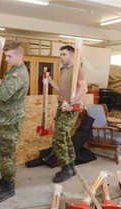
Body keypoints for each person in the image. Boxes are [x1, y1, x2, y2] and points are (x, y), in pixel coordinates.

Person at [0, 41, 29, 203]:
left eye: (9, 56)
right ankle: (5, 179)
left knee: (6, 155)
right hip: (2, 119)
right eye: (5, 56)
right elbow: (5, 88)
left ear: (19, 56)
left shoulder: (18, 75)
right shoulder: (13, 71)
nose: (6, 59)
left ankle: (9, 186)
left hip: (10, 122)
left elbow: (3, 94)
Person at [48, 45, 88, 183]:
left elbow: (84, 89)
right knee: (64, 137)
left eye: (64, 54)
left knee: (59, 137)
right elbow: (61, 91)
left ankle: (66, 168)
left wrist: (71, 103)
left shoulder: (77, 70)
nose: (61, 57)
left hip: (70, 108)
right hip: (62, 106)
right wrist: (50, 81)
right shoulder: (65, 71)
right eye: (61, 54)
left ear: (72, 55)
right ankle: (70, 165)